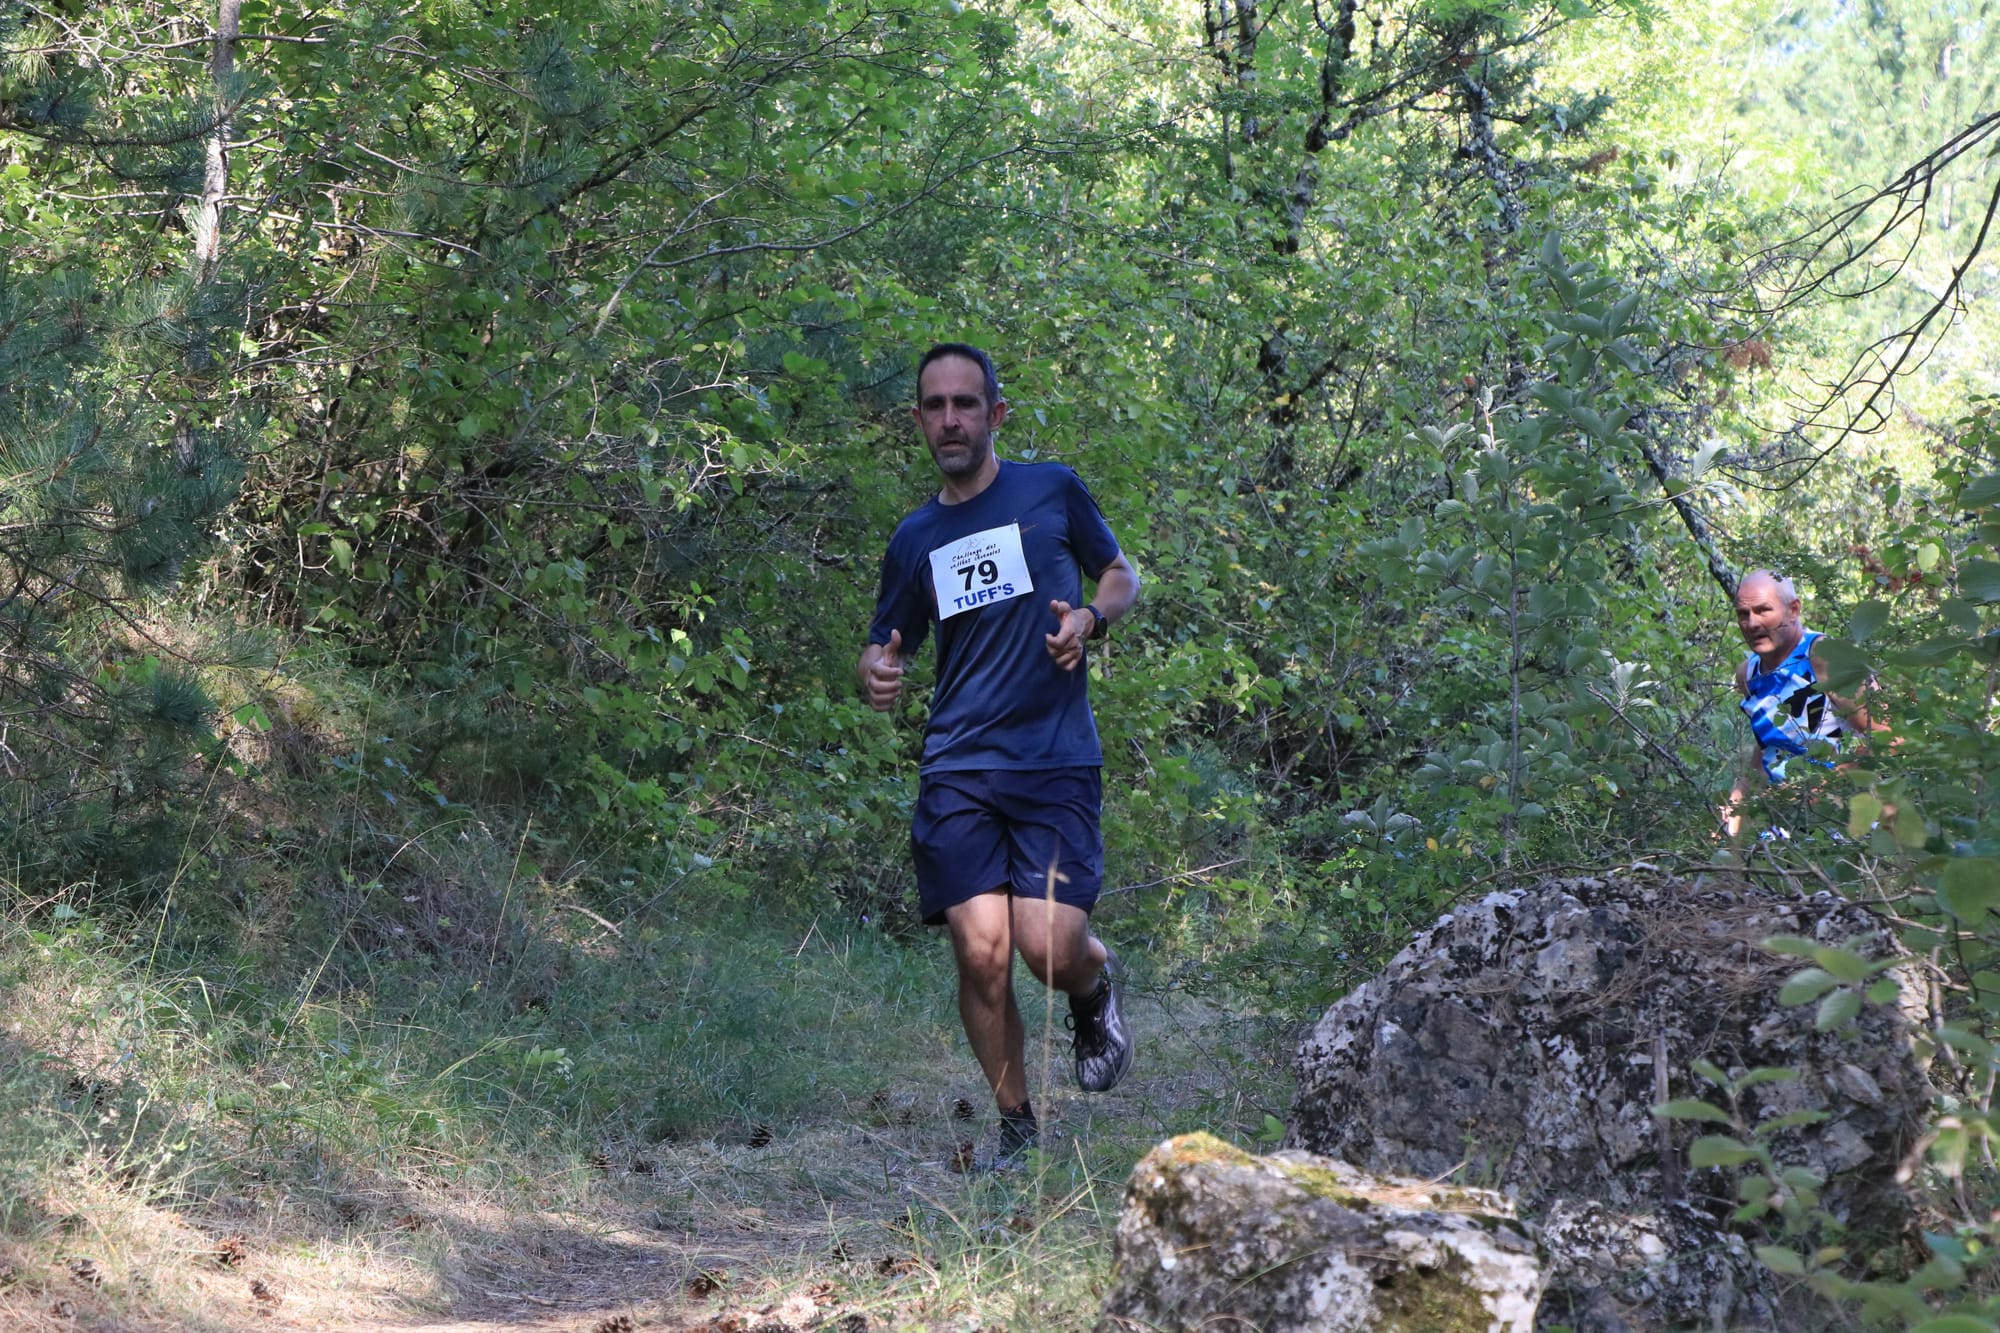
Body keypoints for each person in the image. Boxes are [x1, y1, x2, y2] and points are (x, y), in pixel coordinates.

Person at [858, 342, 1141, 1171]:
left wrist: (1091, 619)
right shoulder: (916, 537)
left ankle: (1093, 988)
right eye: (935, 406)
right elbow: (884, 643)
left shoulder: (1049, 489)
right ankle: (1019, 1126)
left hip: (1053, 757)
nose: (951, 419)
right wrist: (876, 670)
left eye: (966, 404)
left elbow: (1120, 573)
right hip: (958, 766)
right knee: (980, 954)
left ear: (996, 414)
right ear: (918, 420)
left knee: (1048, 948)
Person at [1722, 569, 1884, 839]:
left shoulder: (1825, 657)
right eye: (1743, 614)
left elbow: (1890, 737)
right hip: (1783, 828)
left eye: (1763, 611)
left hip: (1844, 827)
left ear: (1793, 610)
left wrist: (1822, 785)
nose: (1751, 624)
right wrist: (1737, 804)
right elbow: (1769, 749)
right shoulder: (1748, 674)